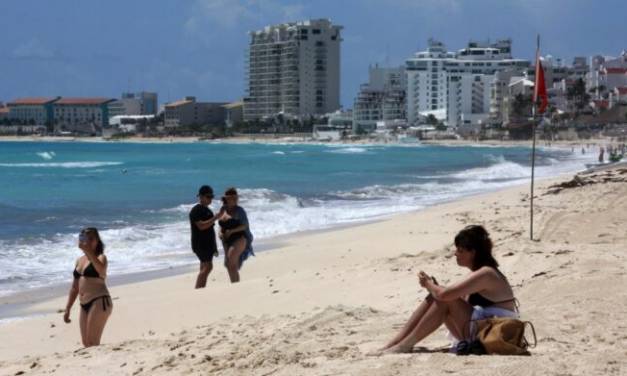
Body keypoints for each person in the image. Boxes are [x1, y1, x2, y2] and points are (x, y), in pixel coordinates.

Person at [375, 225, 517, 354]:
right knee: (436, 296)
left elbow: (446, 296)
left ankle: (405, 345)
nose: (455, 254)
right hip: (483, 329)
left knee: (443, 297)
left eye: (460, 250)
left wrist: (429, 284)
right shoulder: (481, 272)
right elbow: (454, 299)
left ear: (472, 252)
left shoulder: (487, 273)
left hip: (495, 333)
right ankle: (395, 343)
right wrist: (435, 289)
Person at [63, 227, 113, 347]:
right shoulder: (79, 261)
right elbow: (75, 287)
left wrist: (88, 251)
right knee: (86, 344)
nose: (89, 242)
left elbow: (101, 270)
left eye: (92, 239)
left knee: (92, 342)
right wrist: (68, 308)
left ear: (97, 241)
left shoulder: (101, 257)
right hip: (84, 304)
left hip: (99, 301)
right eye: (86, 238)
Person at [189, 185, 224, 289]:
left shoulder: (207, 210)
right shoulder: (196, 210)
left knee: (204, 267)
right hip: (200, 244)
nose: (210, 199)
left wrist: (214, 247)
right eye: (208, 197)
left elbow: (210, 230)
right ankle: (197, 289)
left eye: (211, 196)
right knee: (208, 267)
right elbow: (201, 226)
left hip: (207, 244)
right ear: (201, 197)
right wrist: (216, 217)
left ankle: (201, 289)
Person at [218, 187, 254, 283]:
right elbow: (220, 225)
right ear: (226, 199)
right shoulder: (223, 209)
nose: (234, 200)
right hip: (226, 240)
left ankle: (236, 287)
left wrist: (231, 231)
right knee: (228, 264)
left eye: (235, 198)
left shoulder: (239, 210)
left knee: (231, 263)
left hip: (239, 238)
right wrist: (220, 232)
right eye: (231, 198)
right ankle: (234, 284)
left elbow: (244, 226)